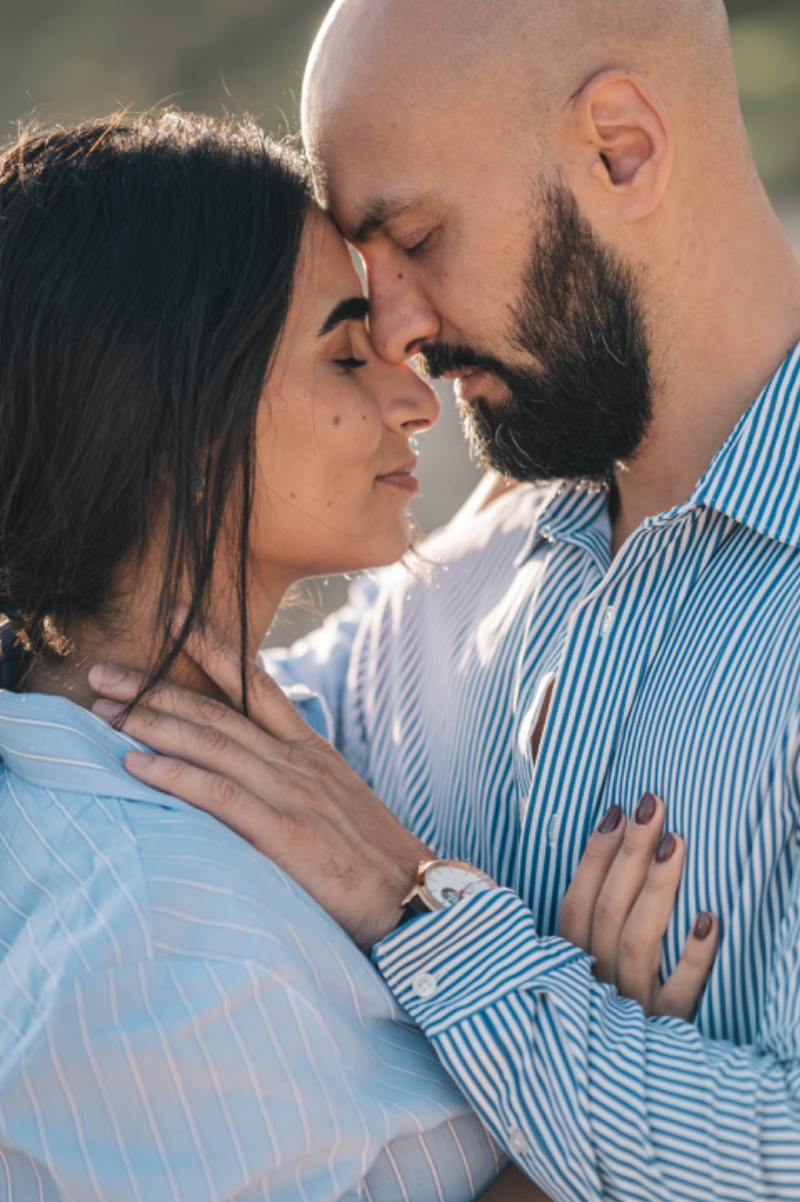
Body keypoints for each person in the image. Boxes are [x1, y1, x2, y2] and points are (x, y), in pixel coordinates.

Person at [90, 0, 800, 1198]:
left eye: (417, 236)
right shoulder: (448, 584)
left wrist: (415, 905)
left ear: (620, 147)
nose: (396, 329)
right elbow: (144, 731)